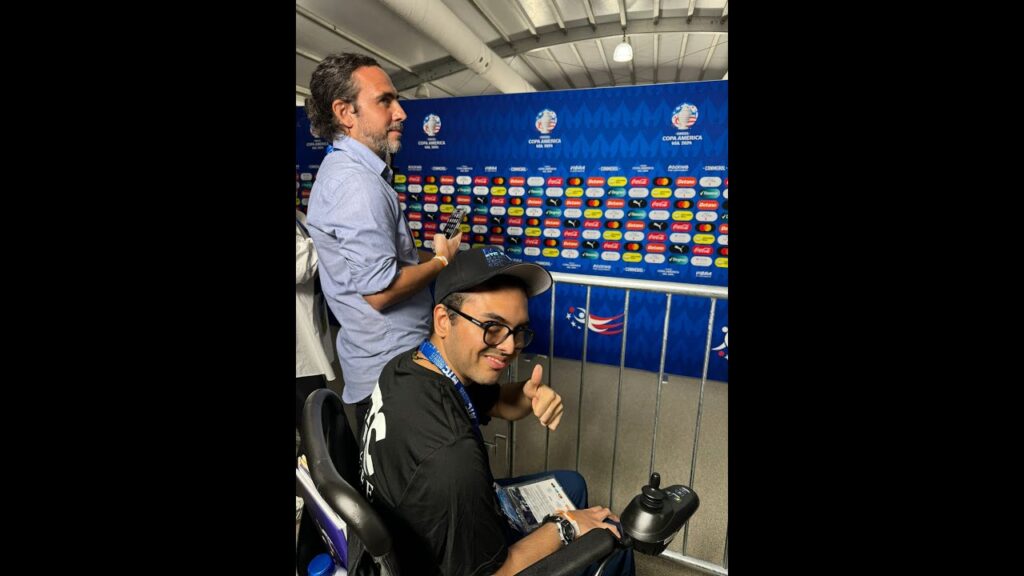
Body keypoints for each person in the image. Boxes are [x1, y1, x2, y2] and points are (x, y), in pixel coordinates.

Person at [355, 246, 634, 576]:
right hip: (451, 561)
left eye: (518, 331)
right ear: (444, 320)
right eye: (493, 326)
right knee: (612, 537)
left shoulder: (410, 365)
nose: (508, 346)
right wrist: (566, 526)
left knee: (571, 484)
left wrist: (529, 396)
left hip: (428, 526)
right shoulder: (452, 460)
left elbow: (501, 402)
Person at [304, 53, 462, 437]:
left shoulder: (354, 173)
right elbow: (380, 291)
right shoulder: (356, 183)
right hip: (392, 371)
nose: (401, 113)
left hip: (388, 363)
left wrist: (431, 254)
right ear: (345, 112)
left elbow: (385, 263)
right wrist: (441, 261)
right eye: (385, 100)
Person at [296, 208, 336, 429]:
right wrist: (337, 237)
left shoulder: (300, 217)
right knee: (317, 427)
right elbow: (301, 265)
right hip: (300, 356)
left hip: (309, 334)